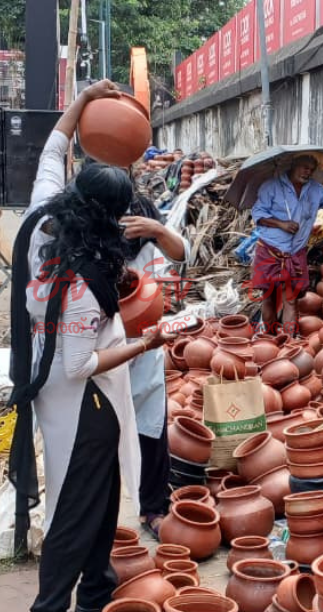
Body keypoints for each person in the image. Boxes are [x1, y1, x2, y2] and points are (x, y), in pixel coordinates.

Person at [5, 79, 175, 612]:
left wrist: (81, 102)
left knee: (102, 495)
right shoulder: (79, 282)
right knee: (77, 505)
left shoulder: (45, 219)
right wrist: (145, 342)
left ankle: (96, 588)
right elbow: (82, 364)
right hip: (81, 399)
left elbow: (52, 151)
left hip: (73, 385)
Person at [120, 191, 190, 539]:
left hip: (145, 342)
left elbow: (182, 253)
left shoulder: (150, 245)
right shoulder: (90, 243)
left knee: (151, 428)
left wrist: (158, 230)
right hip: (101, 344)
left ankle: (153, 507)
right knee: (102, 432)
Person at [250, 155, 323, 334]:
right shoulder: (271, 186)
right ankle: (270, 337)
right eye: (304, 167)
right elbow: (258, 214)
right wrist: (281, 224)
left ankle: (287, 342)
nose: (308, 172)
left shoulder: (315, 189)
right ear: (292, 165)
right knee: (269, 298)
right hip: (270, 249)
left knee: (291, 300)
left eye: (311, 169)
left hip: (295, 252)